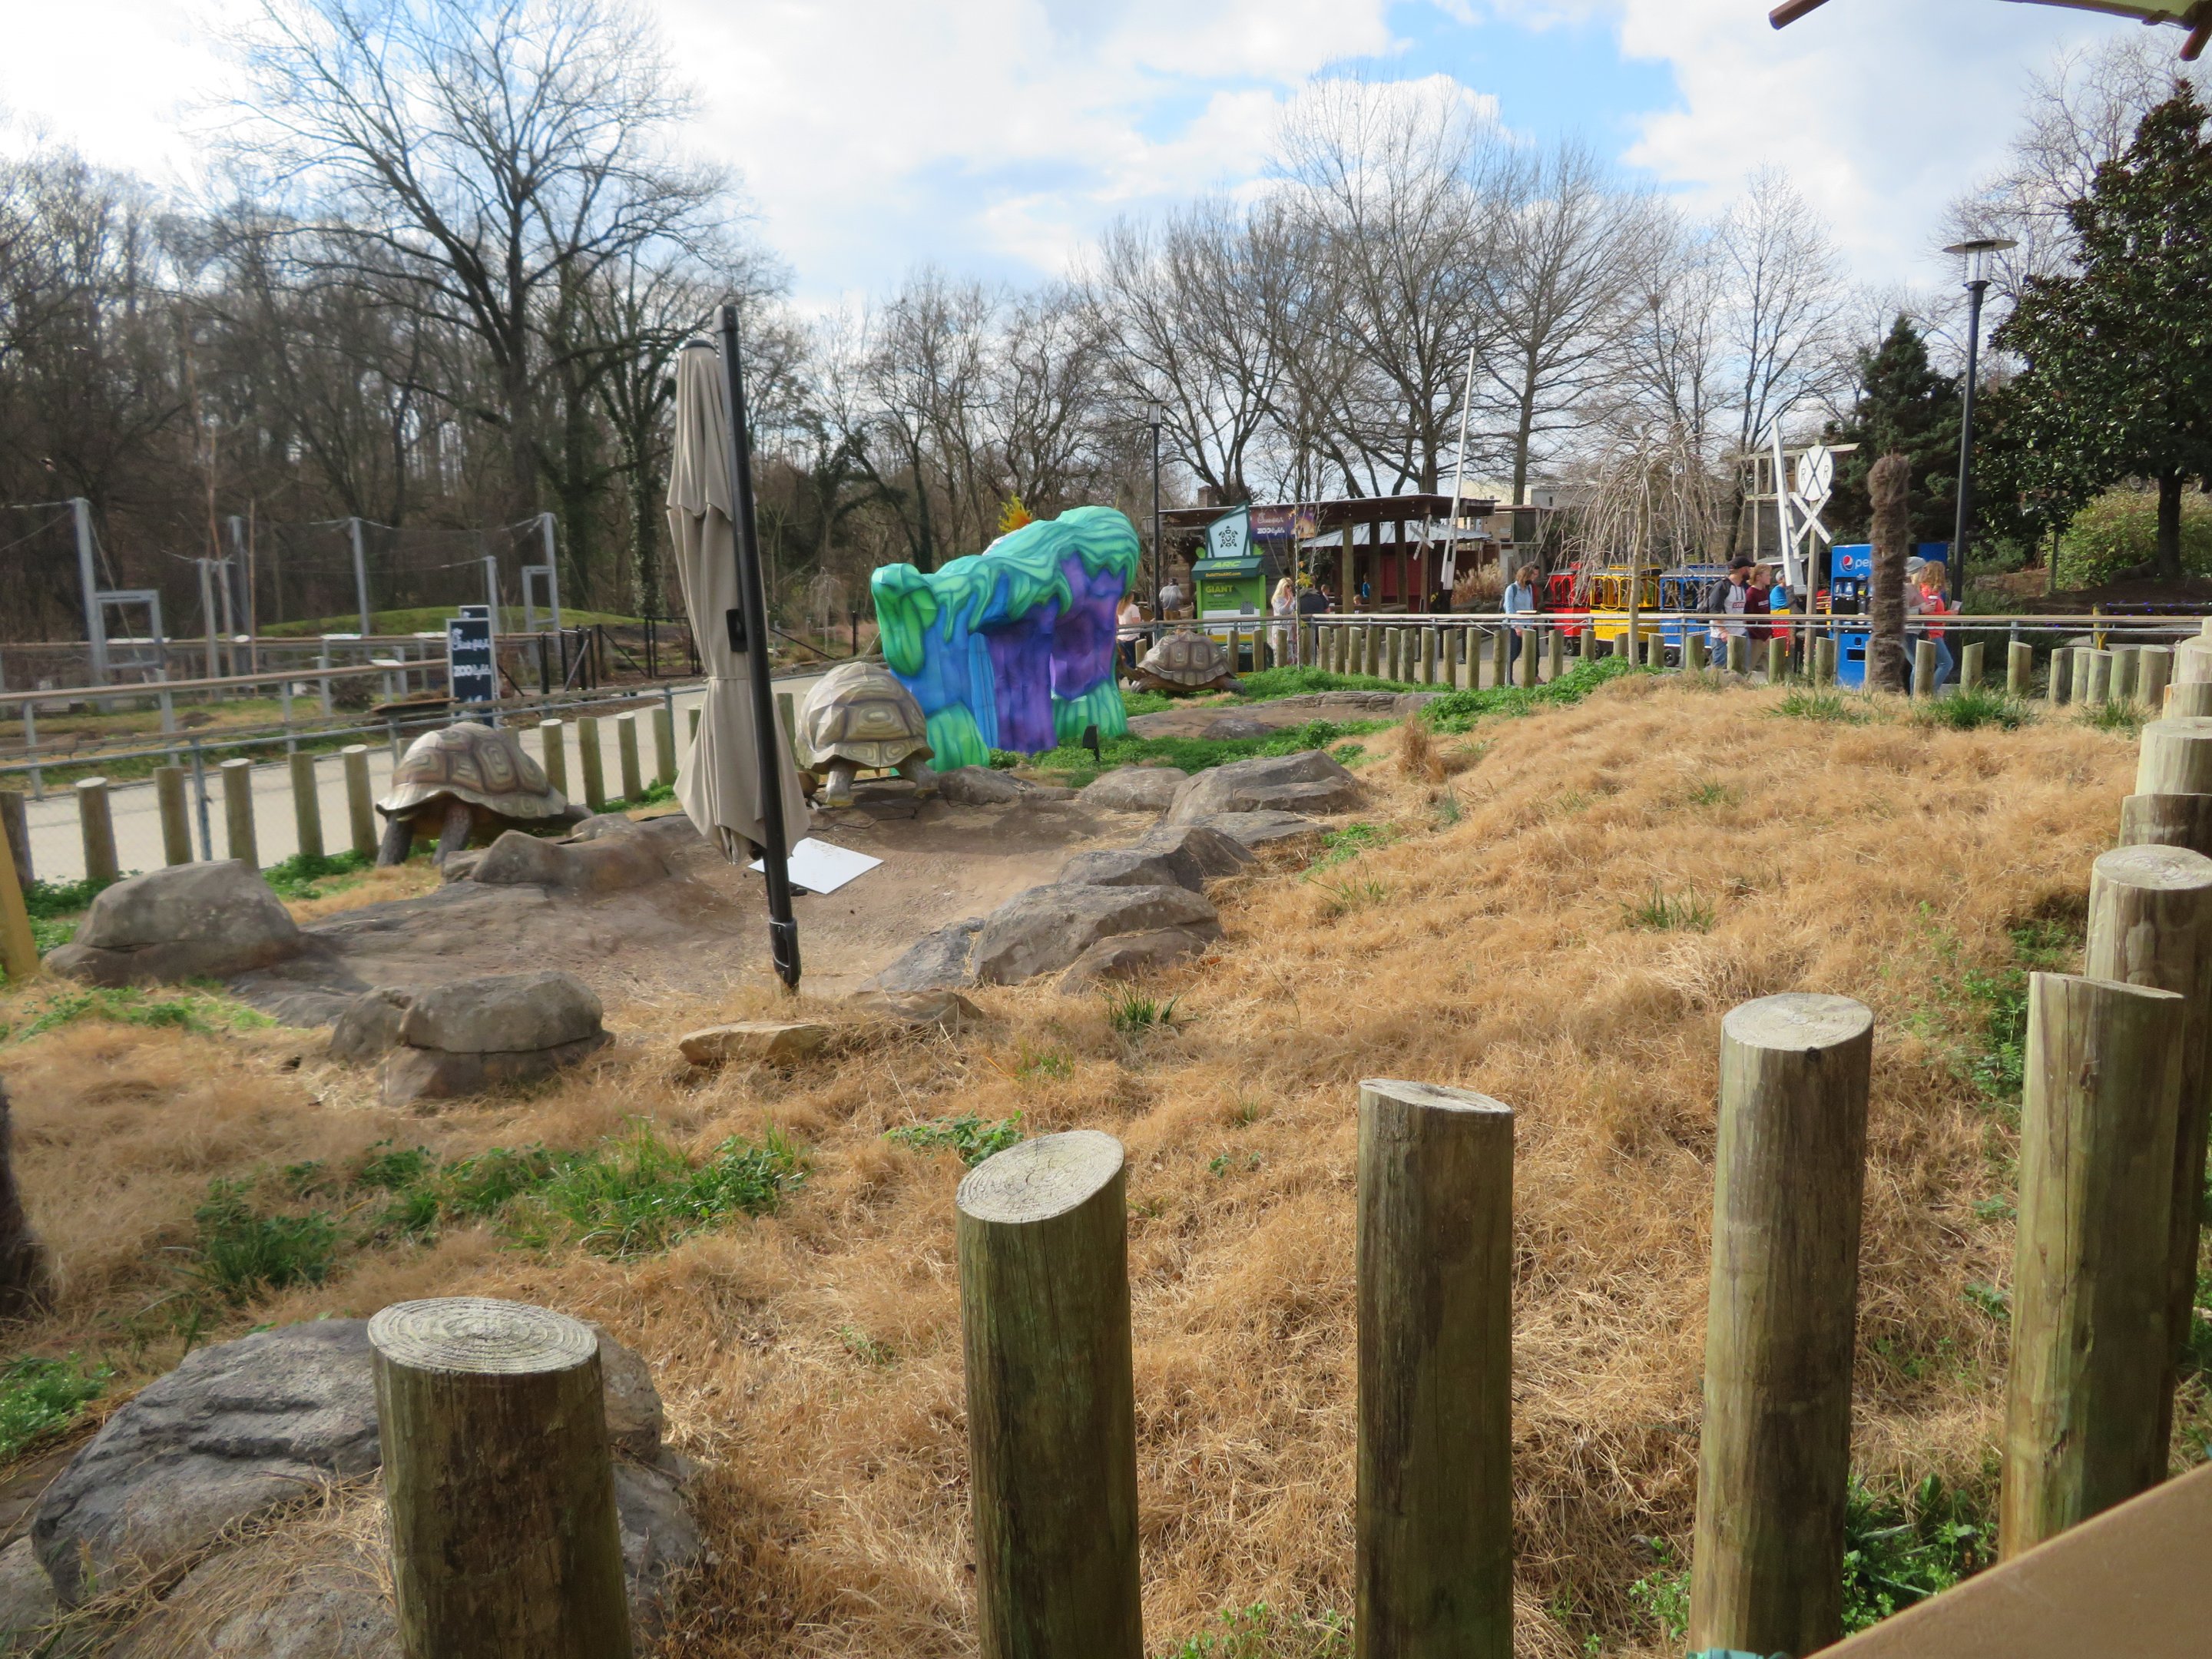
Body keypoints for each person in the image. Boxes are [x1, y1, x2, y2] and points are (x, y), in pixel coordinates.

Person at [1915, 568, 1955, 690]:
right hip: (1932, 632)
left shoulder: (1930, 592)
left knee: (1923, 665)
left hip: (1935, 631)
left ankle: (1925, 692)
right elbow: (1929, 614)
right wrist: (1949, 614)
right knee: (1946, 663)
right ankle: (1930, 691)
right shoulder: (1929, 593)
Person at [1502, 562, 1538, 671]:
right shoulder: (1511, 589)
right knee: (1513, 653)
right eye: (1530, 577)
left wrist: (1532, 623)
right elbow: (1509, 609)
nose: (1532, 580)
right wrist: (1516, 626)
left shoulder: (1528, 589)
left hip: (1527, 625)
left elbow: (1530, 607)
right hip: (1515, 627)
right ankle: (1508, 678)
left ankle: (1531, 677)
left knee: (1531, 653)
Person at [1270, 575, 1299, 665]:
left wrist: (1295, 631)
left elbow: (1293, 613)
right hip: (1280, 628)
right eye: (1287, 586)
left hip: (1290, 628)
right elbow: (1282, 611)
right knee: (1280, 652)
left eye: (1291, 586)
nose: (1290, 588)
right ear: (1282, 587)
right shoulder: (1277, 598)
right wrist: (1290, 600)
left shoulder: (1292, 599)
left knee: (1291, 654)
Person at [1117, 593, 1146, 673]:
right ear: (1131, 597)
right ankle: (1121, 674)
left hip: (1121, 637)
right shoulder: (1133, 608)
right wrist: (1143, 622)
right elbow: (1136, 622)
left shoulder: (1120, 607)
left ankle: (1129, 679)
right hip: (1131, 637)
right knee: (1135, 662)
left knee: (1127, 660)